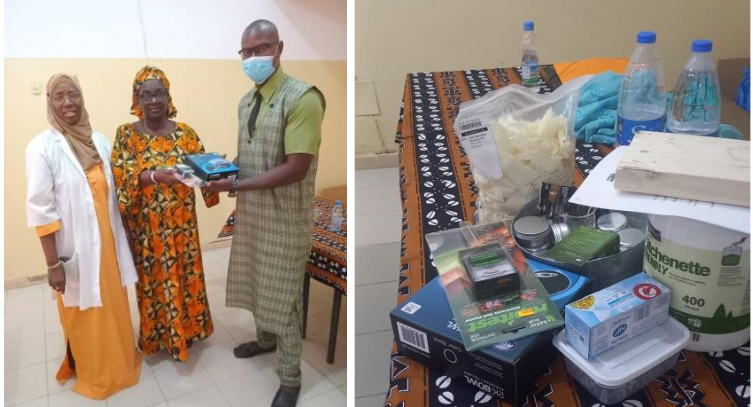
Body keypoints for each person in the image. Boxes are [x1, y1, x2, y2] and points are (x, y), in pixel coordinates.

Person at [206, 20, 325, 407]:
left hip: (286, 218)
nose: (254, 57)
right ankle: (265, 339)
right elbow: (250, 154)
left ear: (279, 48)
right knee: (258, 281)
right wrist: (222, 171)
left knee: (284, 295)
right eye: (247, 52)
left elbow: (296, 167)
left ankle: (290, 380)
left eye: (262, 48)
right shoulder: (247, 102)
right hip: (255, 215)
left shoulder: (302, 98)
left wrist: (235, 186)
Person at [25, 74, 142, 399]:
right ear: (50, 102)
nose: (67, 103)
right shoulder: (41, 148)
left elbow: (114, 198)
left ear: (82, 98)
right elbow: (41, 211)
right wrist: (52, 264)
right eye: (59, 97)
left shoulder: (100, 142)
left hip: (110, 249)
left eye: (73, 95)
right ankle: (95, 375)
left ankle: (123, 364)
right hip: (75, 253)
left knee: (114, 309)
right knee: (85, 314)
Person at [112, 66, 219, 362]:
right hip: (148, 232)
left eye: (158, 92)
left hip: (183, 227)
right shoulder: (126, 136)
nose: (153, 99)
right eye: (145, 94)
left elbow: (203, 175)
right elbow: (122, 177)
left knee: (186, 279)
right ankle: (158, 337)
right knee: (154, 283)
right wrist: (158, 176)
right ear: (137, 100)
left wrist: (220, 170)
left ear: (168, 95)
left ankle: (190, 332)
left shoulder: (185, 133)